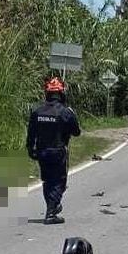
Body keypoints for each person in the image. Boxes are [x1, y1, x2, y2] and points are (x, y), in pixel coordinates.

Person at [26, 77, 81, 225]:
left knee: (47, 181)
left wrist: (30, 149)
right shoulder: (65, 112)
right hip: (58, 152)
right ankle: (51, 211)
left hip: (42, 152)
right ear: (61, 94)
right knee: (59, 182)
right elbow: (76, 132)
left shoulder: (37, 111)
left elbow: (31, 133)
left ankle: (52, 206)